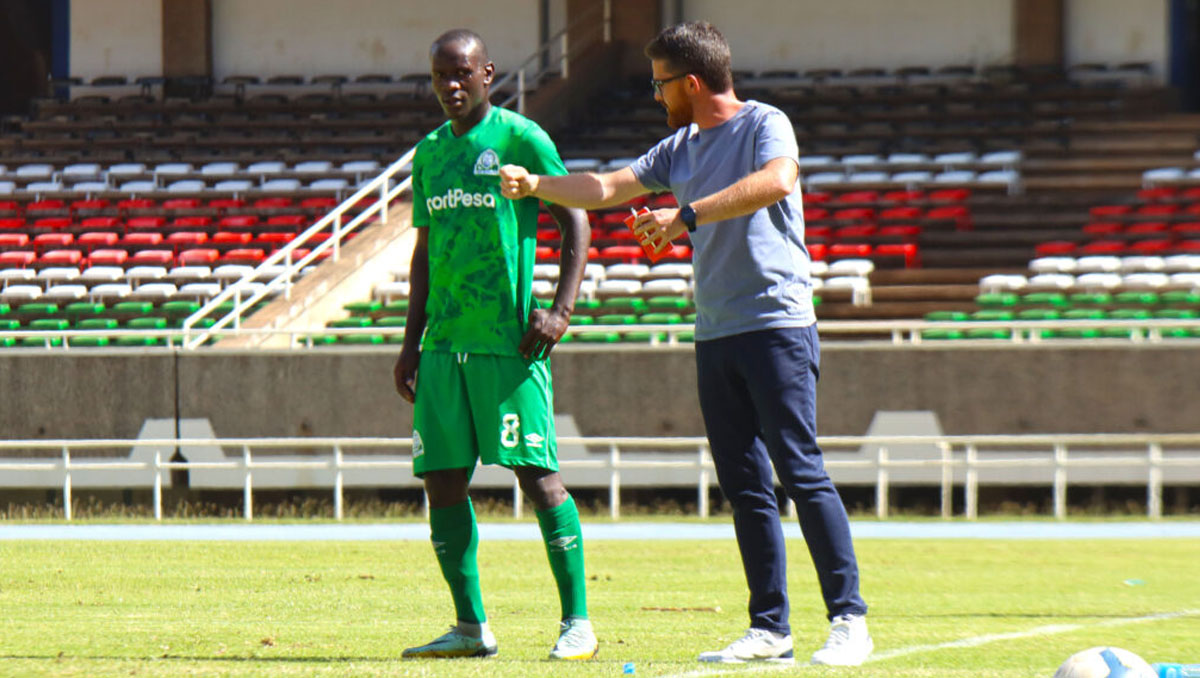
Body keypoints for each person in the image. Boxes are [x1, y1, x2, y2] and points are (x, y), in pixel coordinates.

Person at [499, 21, 872, 667]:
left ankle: (849, 621)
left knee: (802, 472)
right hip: (717, 331)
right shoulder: (679, 148)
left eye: (660, 83)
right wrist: (537, 185)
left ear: (691, 82)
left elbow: (778, 182)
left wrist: (686, 215)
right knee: (746, 486)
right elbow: (608, 188)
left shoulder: (765, 123)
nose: (654, 95)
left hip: (777, 325)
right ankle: (770, 629)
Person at [393, 28, 597, 661]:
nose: (450, 86)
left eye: (462, 73)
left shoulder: (521, 138)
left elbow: (577, 219)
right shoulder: (428, 154)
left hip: (508, 345)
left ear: (488, 73)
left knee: (538, 478)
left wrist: (561, 311)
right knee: (442, 482)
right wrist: (409, 344)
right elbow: (424, 253)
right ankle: (470, 626)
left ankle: (577, 623)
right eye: (439, 77)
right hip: (443, 345)